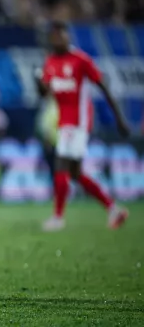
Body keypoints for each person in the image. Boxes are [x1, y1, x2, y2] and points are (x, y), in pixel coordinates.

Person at [35, 21, 130, 232]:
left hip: (78, 121)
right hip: (64, 122)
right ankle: (114, 210)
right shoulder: (50, 62)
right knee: (76, 173)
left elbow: (103, 87)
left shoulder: (80, 60)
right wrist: (38, 82)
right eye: (55, 35)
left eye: (63, 35)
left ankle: (57, 218)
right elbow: (44, 94)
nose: (59, 38)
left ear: (68, 36)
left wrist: (120, 119)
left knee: (61, 164)